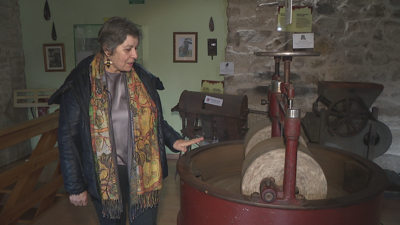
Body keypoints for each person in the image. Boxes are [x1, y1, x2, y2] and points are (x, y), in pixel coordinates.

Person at [48, 17, 203, 225]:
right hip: (105, 176)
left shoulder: (142, 78)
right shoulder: (80, 84)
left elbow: (156, 121)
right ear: (108, 50)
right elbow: (68, 139)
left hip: (143, 172)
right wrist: (75, 186)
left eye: (136, 48)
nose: (135, 55)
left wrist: (174, 140)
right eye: (128, 49)